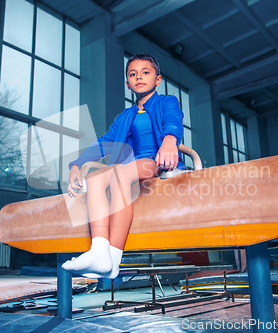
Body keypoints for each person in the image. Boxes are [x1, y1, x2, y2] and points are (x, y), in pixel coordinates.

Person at [62, 53, 185, 279]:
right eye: (133, 74)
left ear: (158, 79)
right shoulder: (125, 116)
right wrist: (76, 164)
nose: (139, 77)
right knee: (95, 178)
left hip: (158, 161)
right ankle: (100, 252)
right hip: (130, 167)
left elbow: (173, 119)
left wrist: (170, 140)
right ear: (127, 84)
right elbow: (103, 143)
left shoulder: (167, 101)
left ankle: (113, 256)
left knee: (117, 173)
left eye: (146, 72)